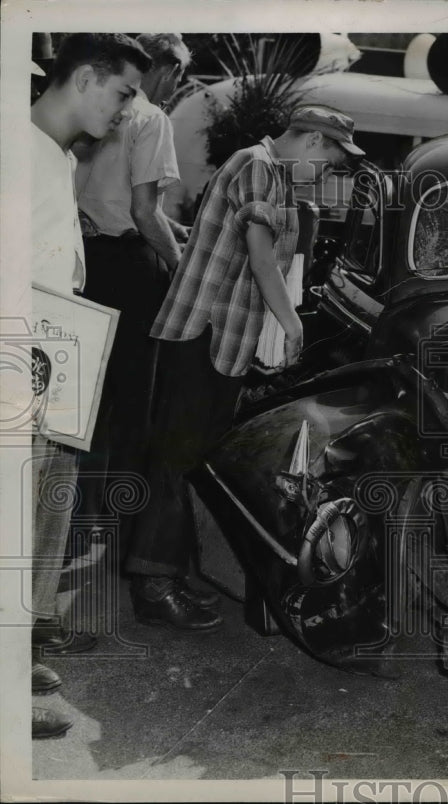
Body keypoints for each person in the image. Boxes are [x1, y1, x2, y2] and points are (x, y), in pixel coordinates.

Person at [126, 105, 364, 631]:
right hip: (202, 334)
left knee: (190, 455)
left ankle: (171, 574)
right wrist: (292, 324)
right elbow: (259, 256)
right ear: (312, 143)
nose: (325, 176)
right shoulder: (256, 165)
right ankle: (153, 585)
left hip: (221, 340)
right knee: (174, 455)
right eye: (328, 163)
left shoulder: (272, 174)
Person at [30, 32, 151, 739]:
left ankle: (18, 646)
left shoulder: (55, 153)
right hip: (25, 353)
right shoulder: (18, 148)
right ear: (84, 77)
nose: (129, 109)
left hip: (52, 346)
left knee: (52, 499)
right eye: (123, 92)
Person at [73, 33, 192, 560]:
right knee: (132, 404)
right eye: (180, 72)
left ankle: (75, 518)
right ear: (163, 68)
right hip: (128, 267)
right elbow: (143, 214)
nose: (179, 84)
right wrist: (183, 262)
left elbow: (122, 200)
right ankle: (118, 530)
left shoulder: (95, 111)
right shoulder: (151, 119)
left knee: (83, 402)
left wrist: (179, 232)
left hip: (83, 258)